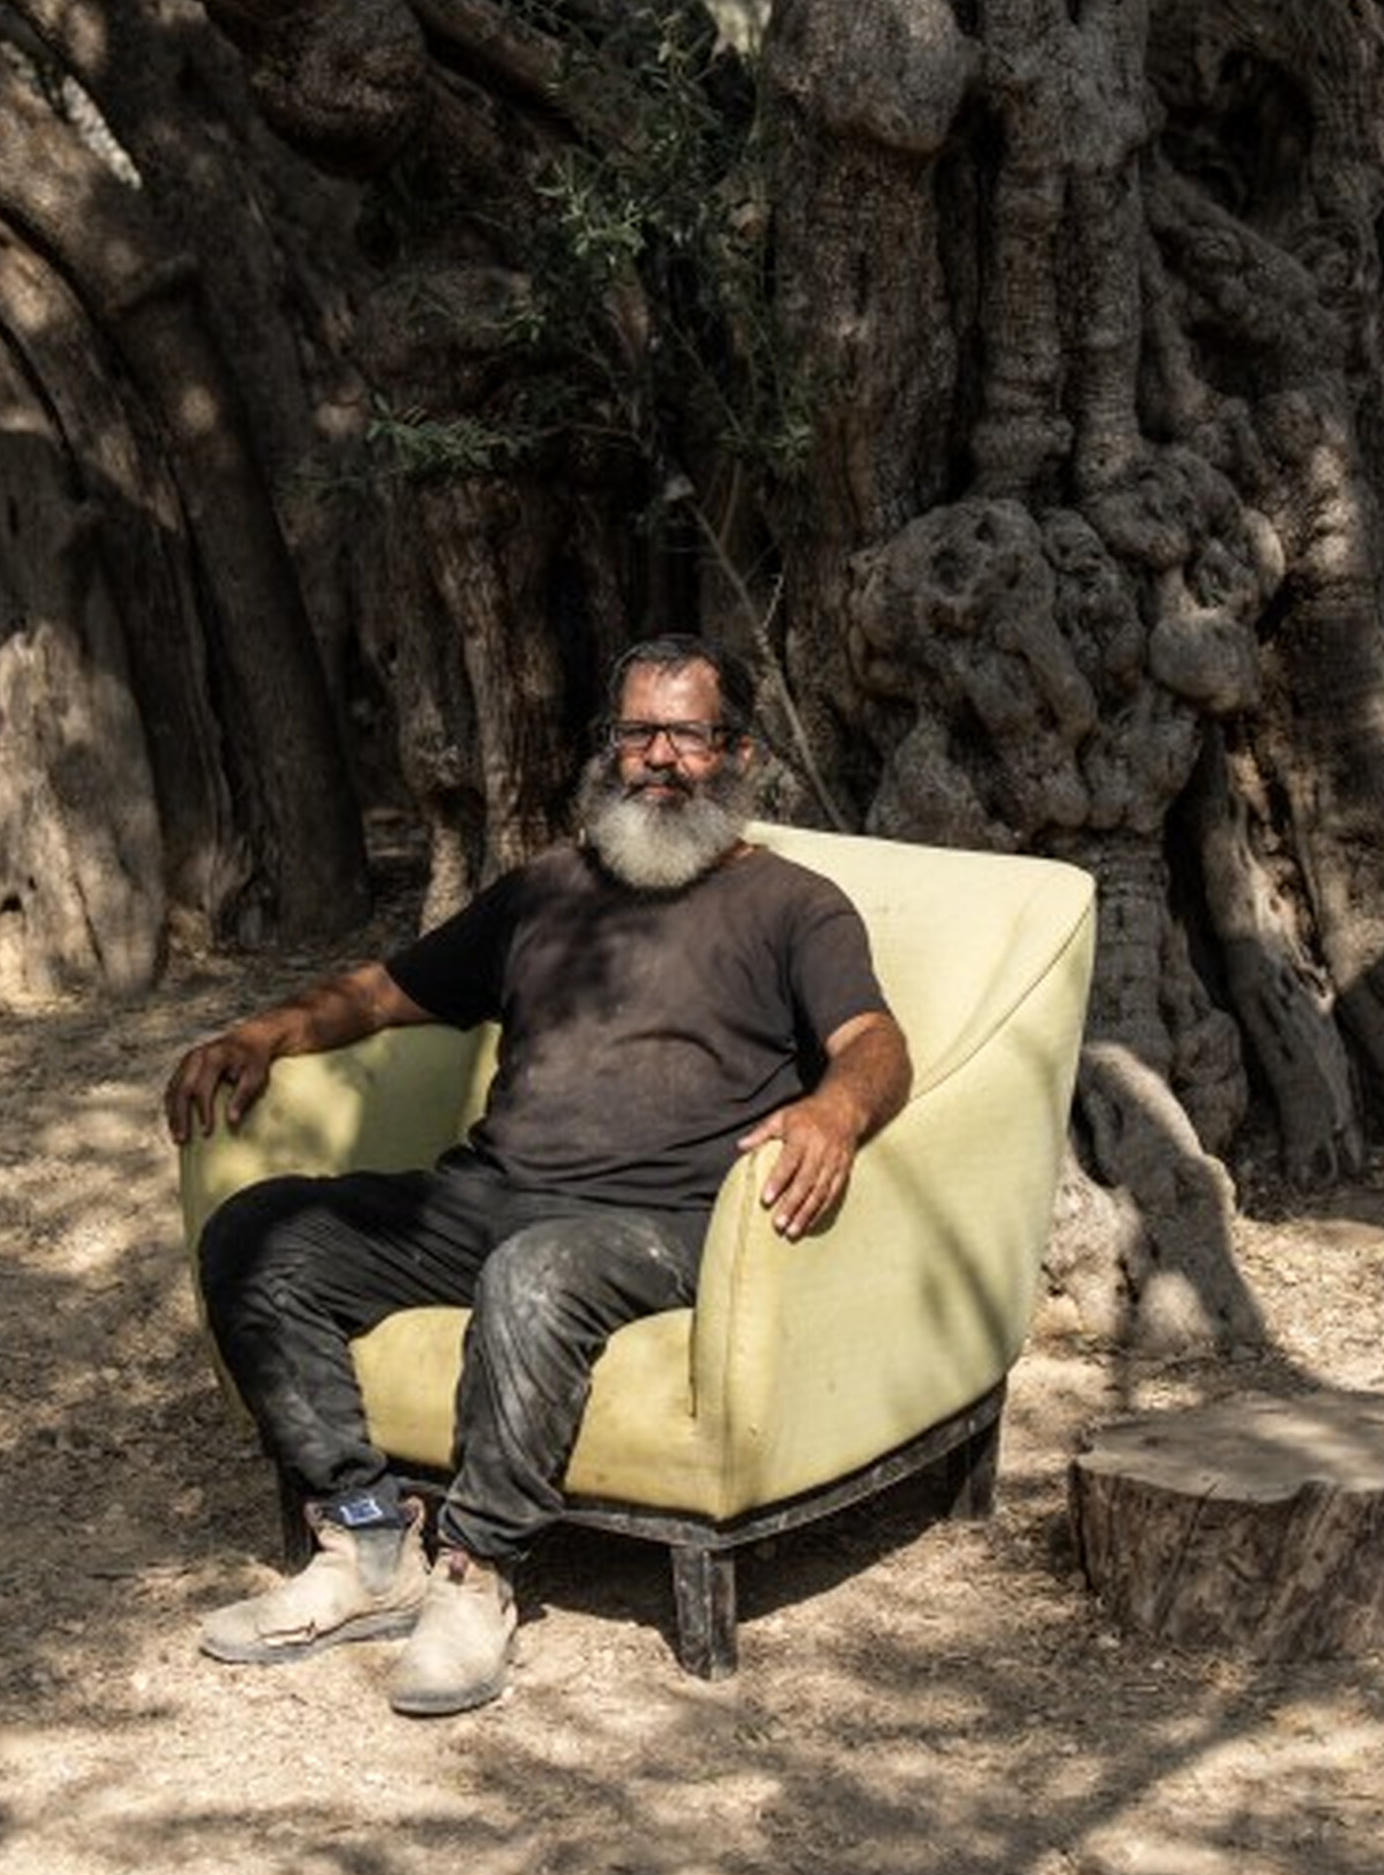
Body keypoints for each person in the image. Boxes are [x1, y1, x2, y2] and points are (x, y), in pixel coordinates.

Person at [164, 634, 912, 1715]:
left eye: (688, 735)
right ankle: (370, 1545)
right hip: (487, 1194)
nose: (659, 758)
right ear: (608, 750)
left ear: (739, 752)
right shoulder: (546, 892)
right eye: (636, 733)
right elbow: (384, 994)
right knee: (260, 1233)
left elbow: (873, 1042)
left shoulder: (795, 904)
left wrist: (836, 1111)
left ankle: (475, 1575)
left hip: (661, 1223)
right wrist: (265, 1033)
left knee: (537, 1268)